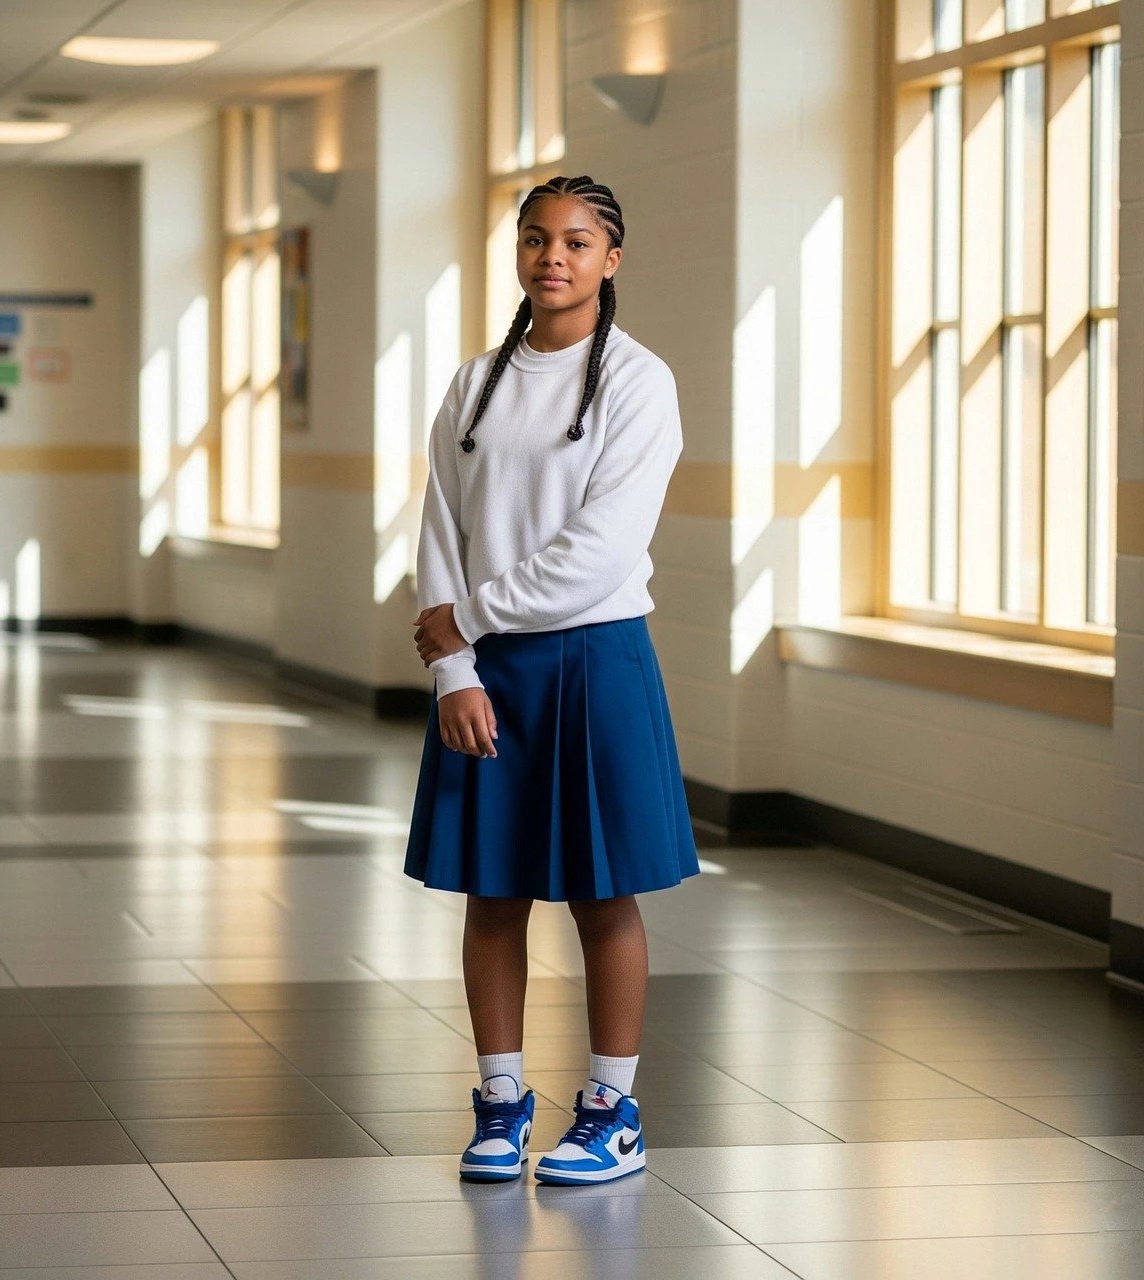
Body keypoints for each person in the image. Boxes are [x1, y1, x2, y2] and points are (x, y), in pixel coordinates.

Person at [404, 174, 700, 1186]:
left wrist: (468, 619)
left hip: (593, 657)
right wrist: (453, 668)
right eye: (534, 239)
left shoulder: (637, 381)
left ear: (610, 259)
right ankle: (499, 1101)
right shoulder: (472, 383)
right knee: (493, 893)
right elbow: (438, 528)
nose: (552, 258)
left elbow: (600, 547)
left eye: (576, 241)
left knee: (600, 894)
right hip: (485, 671)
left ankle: (609, 1111)